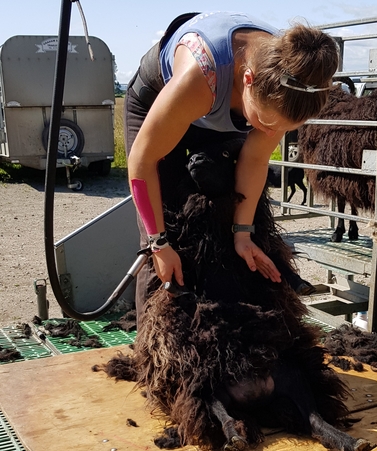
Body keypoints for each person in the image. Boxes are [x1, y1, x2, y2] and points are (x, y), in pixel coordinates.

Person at [124, 11, 339, 321]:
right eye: (265, 123)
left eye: (280, 128)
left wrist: (242, 234)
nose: (268, 133)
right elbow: (142, 163)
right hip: (161, 98)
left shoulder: (289, 87)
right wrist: (158, 244)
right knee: (165, 236)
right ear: (248, 81)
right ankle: (157, 352)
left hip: (219, 108)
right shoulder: (199, 77)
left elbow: (254, 158)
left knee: (223, 209)